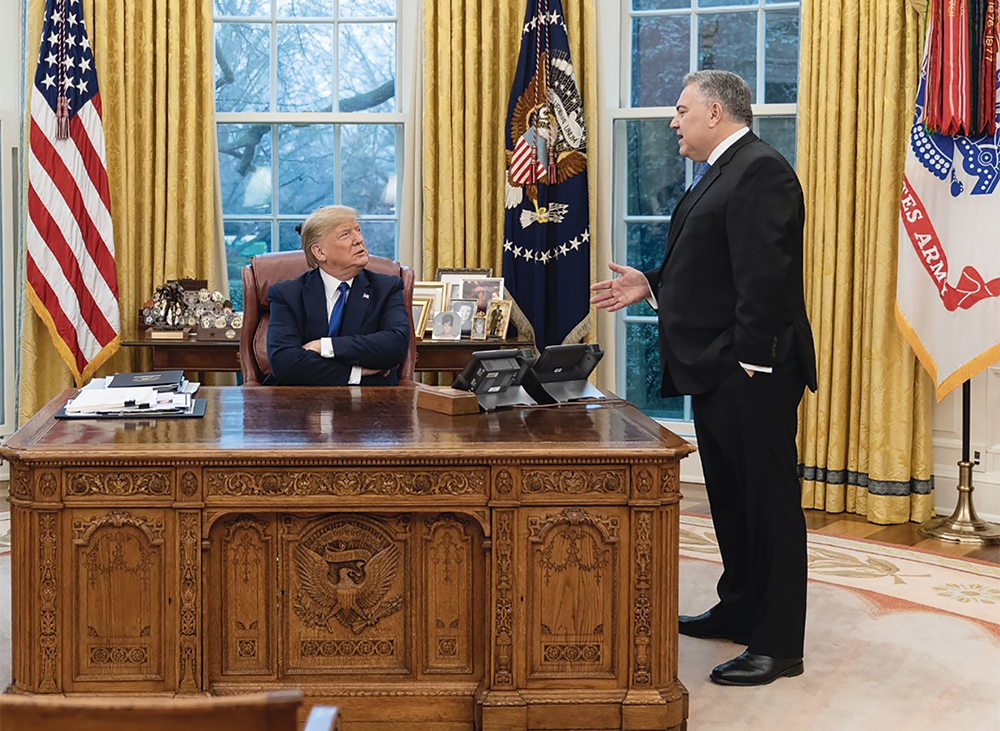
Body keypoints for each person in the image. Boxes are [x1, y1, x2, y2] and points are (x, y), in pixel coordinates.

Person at [591, 70, 817, 687]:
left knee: (767, 504)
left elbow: (766, 277)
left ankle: (777, 644)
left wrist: (751, 360)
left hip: (752, 372)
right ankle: (741, 606)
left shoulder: (760, 170)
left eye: (682, 110)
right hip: (722, 371)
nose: (673, 122)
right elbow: (713, 262)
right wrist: (652, 283)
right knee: (731, 499)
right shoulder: (722, 170)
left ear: (715, 112)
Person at [266, 205, 410, 386]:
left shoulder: (387, 288)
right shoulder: (287, 294)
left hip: (370, 401)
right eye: (345, 234)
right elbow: (284, 362)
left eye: (358, 230)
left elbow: (395, 345)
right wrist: (357, 372)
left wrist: (324, 346)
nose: (359, 240)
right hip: (301, 402)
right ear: (319, 252)